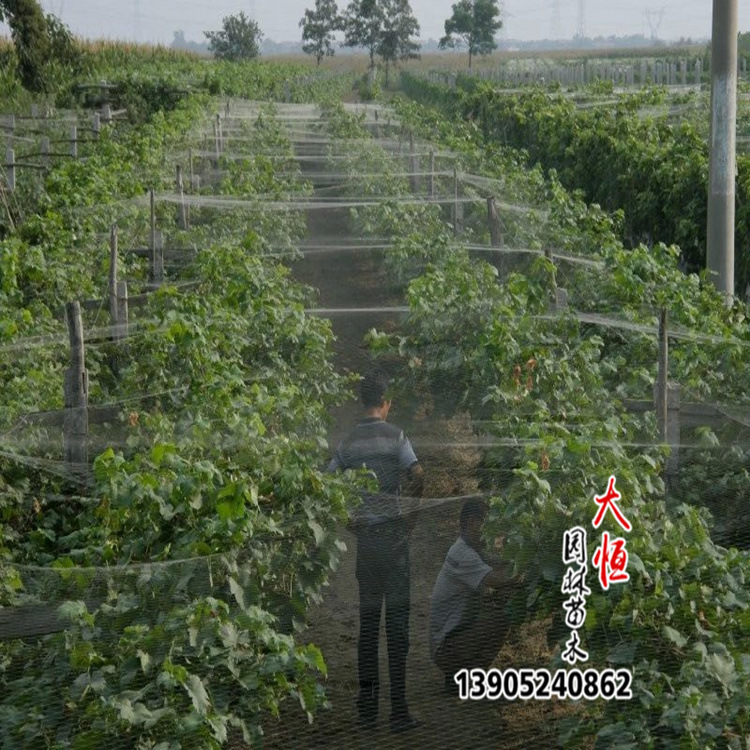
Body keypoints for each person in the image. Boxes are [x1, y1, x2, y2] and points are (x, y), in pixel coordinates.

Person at [328, 368, 424, 733]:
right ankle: (399, 711)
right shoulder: (397, 437)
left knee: (368, 627)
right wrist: (411, 517)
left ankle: (367, 709)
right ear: (385, 404)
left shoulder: (349, 444)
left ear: (362, 403)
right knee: (397, 628)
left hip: (367, 543)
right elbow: (418, 474)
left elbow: (327, 481)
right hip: (395, 542)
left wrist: (347, 518)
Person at [430, 499, 520, 695]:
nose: (491, 532)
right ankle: (464, 677)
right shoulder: (463, 554)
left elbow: (500, 564)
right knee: (502, 617)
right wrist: (525, 570)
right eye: (486, 524)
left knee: (502, 600)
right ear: (472, 523)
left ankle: (461, 676)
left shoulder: (471, 549)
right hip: (445, 647)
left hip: (450, 638)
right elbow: (496, 579)